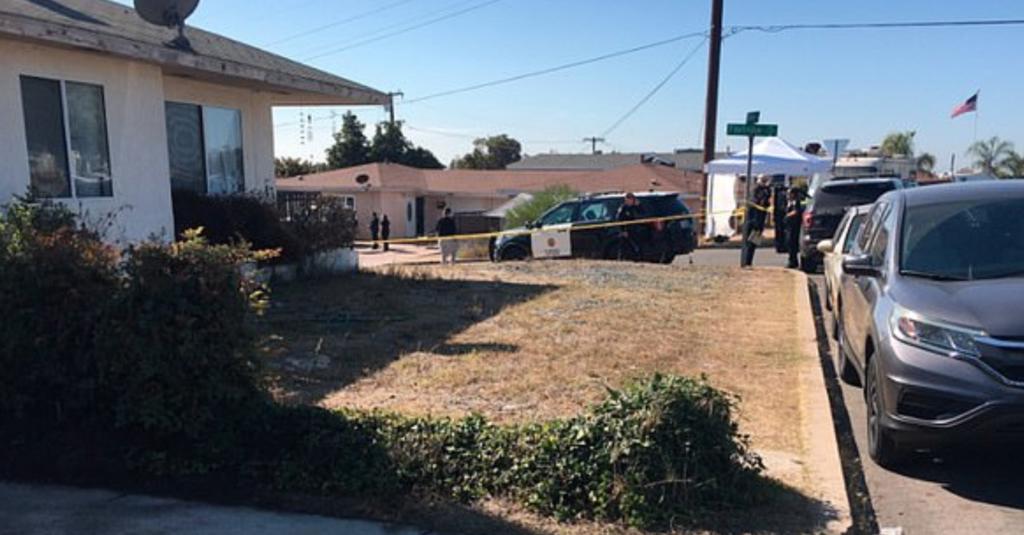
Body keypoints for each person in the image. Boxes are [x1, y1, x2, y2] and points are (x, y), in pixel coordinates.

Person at [741, 175, 772, 267]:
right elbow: (756, 202)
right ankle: (746, 261)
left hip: (760, 221)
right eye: (764, 180)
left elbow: (766, 203)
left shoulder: (766, 190)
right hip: (752, 220)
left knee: (754, 242)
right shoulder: (755, 190)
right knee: (748, 242)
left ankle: (749, 262)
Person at [615, 192, 644, 260]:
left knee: (637, 246)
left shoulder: (635, 207)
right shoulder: (623, 208)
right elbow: (618, 220)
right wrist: (622, 231)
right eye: (628, 200)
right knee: (624, 247)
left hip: (636, 230)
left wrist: (639, 205)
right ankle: (622, 259)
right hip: (626, 231)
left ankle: (638, 259)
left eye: (631, 199)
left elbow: (642, 214)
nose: (630, 201)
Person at [784, 187, 805, 269]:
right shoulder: (789, 202)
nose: (788, 195)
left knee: (793, 243)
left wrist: (788, 215)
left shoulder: (796, 202)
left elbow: (796, 211)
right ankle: (792, 260)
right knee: (789, 243)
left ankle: (793, 262)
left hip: (795, 227)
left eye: (789, 193)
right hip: (789, 226)